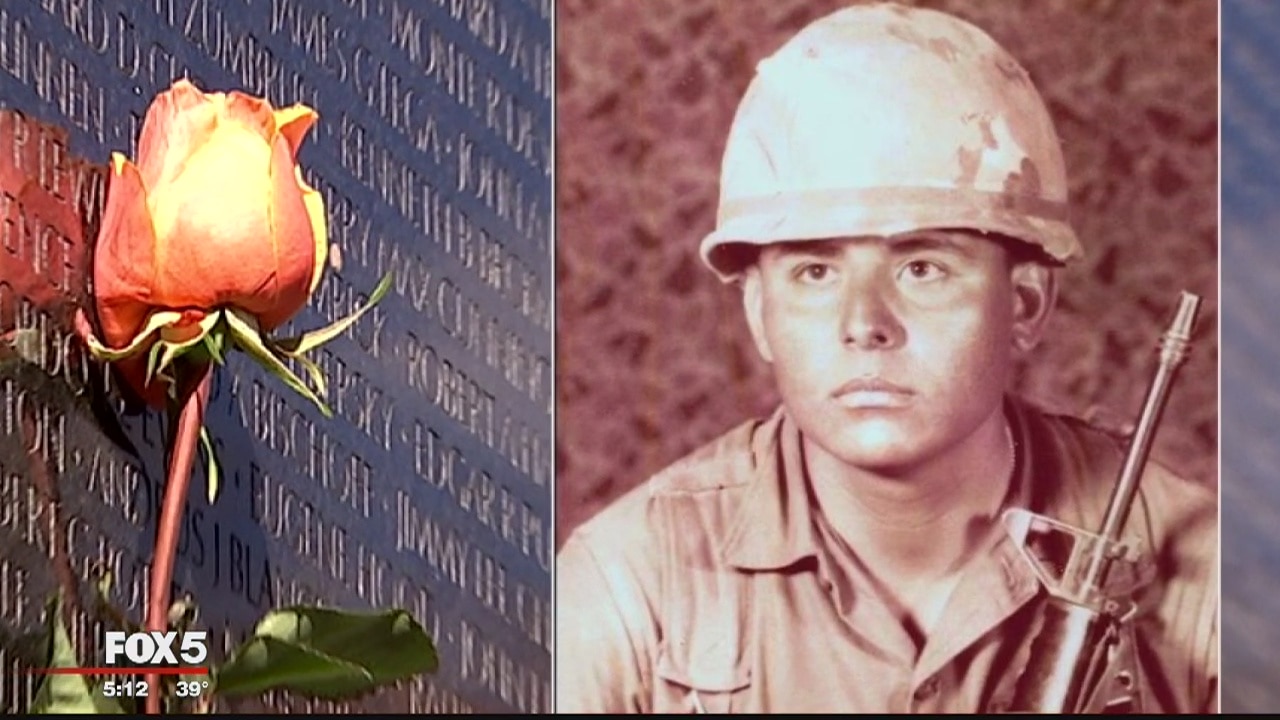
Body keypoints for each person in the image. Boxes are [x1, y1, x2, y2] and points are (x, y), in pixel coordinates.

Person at [554, 2, 1217, 714]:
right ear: (760, 315)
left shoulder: (1210, 576)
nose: (864, 324)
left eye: (923, 268)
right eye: (815, 272)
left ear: (1024, 305)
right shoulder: (628, 586)